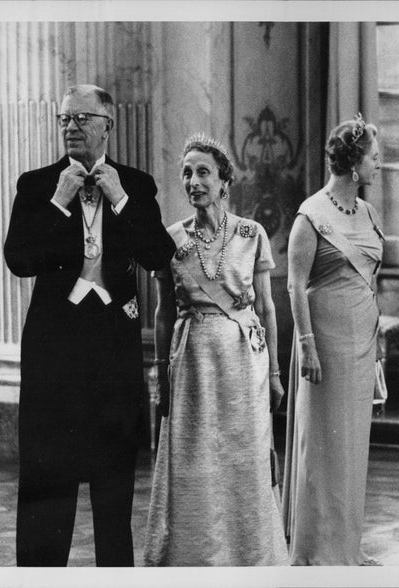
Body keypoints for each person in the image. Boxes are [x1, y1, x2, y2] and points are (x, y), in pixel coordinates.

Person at [4, 84, 175, 566]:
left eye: (81, 118)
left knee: (113, 484)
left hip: (112, 351)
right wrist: (58, 204)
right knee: (46, 480)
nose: (71, 127)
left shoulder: (136, 186)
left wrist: (120, 200)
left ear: (107, 125)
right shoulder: (36, 185)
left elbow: (159, 255)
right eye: (64, 119)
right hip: (53, 351)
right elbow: (19, 260)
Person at [142, 134, 288, 566]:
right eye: (187, 173)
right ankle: (197, 559)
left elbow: (266, 307)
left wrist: (276, 372)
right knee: (195, 462)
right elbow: (163, 313)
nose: (193, 181)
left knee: (243, 458)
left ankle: (251, 558)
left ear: (225, 181)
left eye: (203, 172)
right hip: (192, 364)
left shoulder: (250, 233)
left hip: (243, 362)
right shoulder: (169, 239)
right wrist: (159, 371)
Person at [281, 114, 384, 565]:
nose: (379, 166)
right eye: (375, 159)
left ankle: (346, 547)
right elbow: (293, 284)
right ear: (355, 164)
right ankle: (316, 551)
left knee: (352, 446)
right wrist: (307, 345)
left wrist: (378, 334)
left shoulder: (368, 212)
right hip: (322, 342)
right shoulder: (312, 213)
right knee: (323, 444)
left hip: (361, 340)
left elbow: (370, 281)